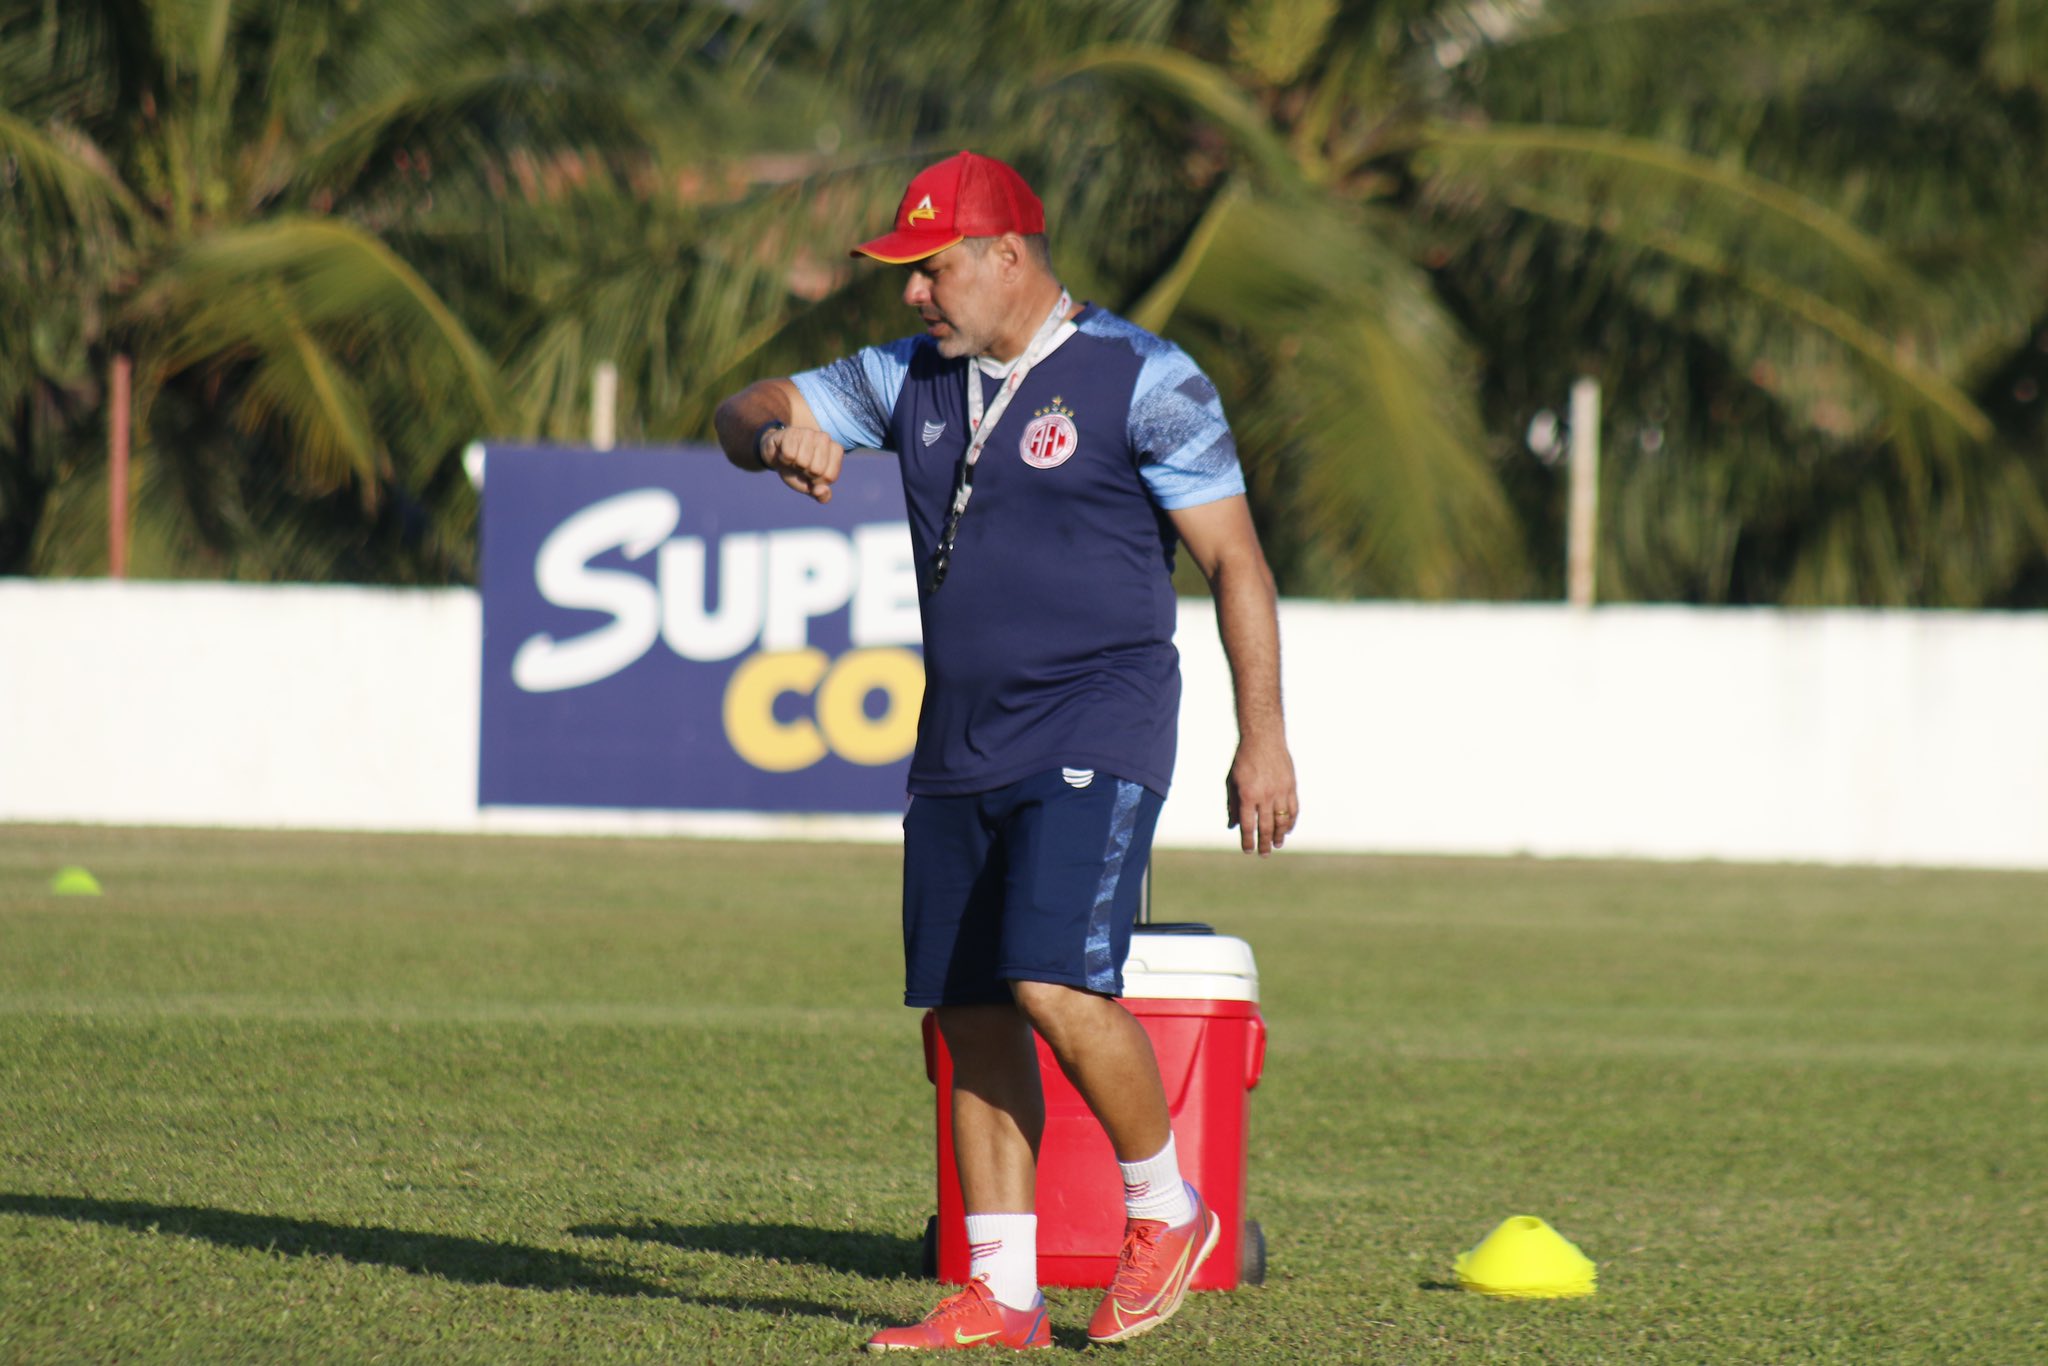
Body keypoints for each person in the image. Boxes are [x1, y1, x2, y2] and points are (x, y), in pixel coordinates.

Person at [712, 150, 1298, 1352]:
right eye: (905, 275)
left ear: (1006, 259)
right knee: (968, 1011)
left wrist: (1263, 738)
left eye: (929, 272)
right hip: (957, 743)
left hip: (1098, 719)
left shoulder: (1146, 377)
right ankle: (1001, 1290)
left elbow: (1236, 560)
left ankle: (1165, 1210)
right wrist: (777, 440)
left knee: (1050, 978)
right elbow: (743, 407)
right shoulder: (910, 377)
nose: (912, 297)